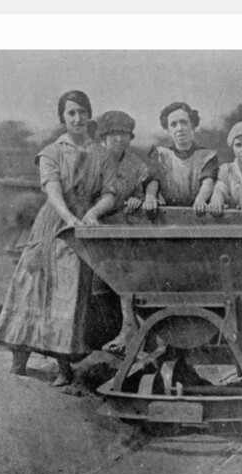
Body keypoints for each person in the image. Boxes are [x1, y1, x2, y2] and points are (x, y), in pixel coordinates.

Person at [0, 90, 118, 386]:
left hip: (80, 229)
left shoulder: (103, 155)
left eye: (82, 112)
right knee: (30, 286)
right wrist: (68, 216)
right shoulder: (51, 152)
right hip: (51, 224)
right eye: (71, 113)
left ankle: (63, 367)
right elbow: (52, 190)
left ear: (89, 115)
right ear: (62, 117)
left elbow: (110, 193)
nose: (77, 118)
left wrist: (93, 213)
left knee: (68, 293)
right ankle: (19, 360)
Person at [92, 110, 157, 356]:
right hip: (96, 225)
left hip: (123, 227)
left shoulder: (134, 163)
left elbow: (149, 181)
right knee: (98, 285)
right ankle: (101, 337)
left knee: (128, 279)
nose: (119, 139)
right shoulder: (93, 160)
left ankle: (132, 334)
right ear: (103, 137)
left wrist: (140, 198)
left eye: (124, 134)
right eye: (113, 134)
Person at [143, 102, 218, 214]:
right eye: (173, 125)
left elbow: (208, 181)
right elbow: (154, 179)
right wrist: (150, 197)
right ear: (168, 130)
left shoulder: (207, 156)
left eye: (184, 122)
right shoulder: (161, 155)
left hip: (199, 211)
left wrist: (201, 199)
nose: (180, 128)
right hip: (170, 213)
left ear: (192, 125)